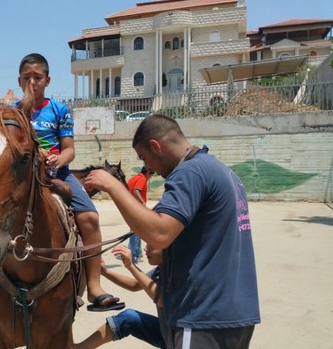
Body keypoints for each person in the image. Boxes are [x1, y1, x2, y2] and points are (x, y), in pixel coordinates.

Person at [0, 53, 123, 312]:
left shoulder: (59, 110)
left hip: (57, 173)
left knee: (90, 218)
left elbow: (69, 149)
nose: (32, 82)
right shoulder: (14, 113)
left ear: (48, 80)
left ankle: (94, 286)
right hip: (25, 174)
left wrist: (58, 159)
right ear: (19, 80)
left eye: (37, 77)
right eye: (27, 77)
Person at [84, 114, 260, 348]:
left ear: (156, 147)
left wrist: (112, 185)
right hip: (233, 315)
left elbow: (159, 233)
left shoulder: (190, 172)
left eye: (145, 158)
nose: (149, 168)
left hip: (202, 316)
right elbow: (207, 241)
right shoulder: (224, 172)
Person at [74, 244, 166, 349]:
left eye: (151, 245)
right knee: (128, 318)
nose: (145, 248)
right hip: (166, 331)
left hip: (179, 336)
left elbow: (160, 298)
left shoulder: (179, 271)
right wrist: (105, 272)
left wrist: (130, 265)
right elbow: (135, 284)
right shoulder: (161, 268)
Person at [127, 166, 154, 264]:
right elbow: (136, 190)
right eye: (152, 174)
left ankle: (137, 252)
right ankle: (133, 255)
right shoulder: (142, 179)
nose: (151, 177)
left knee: (137, 231)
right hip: (137, 209)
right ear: (148, 172)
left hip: (130, 207)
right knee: (136, 231)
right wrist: (142, 203)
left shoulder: (133, 178)